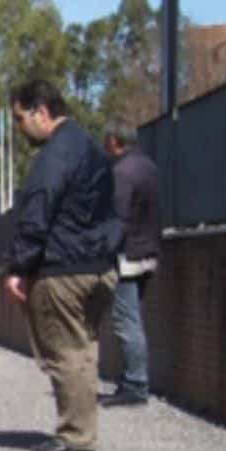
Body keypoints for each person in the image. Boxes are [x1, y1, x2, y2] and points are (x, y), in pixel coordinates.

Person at [3, 79, 123, 451]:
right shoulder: (90, 148)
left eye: (20, 119)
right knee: (84, 348)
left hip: (63, 269)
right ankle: (82, 429)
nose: (19, 129)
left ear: (41, 111)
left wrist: (18, 267)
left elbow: (38, 211)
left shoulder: (55, 156)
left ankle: (75, 435)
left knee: (65, 352)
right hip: (99, 265)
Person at [102, 121, 160, 407]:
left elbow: (119, 217)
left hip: (129, 254)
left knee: (127, 320)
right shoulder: (149, 167)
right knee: (135, 315)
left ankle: (135, 384)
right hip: (149, 249)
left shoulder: (121, 172)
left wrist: (104, 249)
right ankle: (133, 378)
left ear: (115, 141)